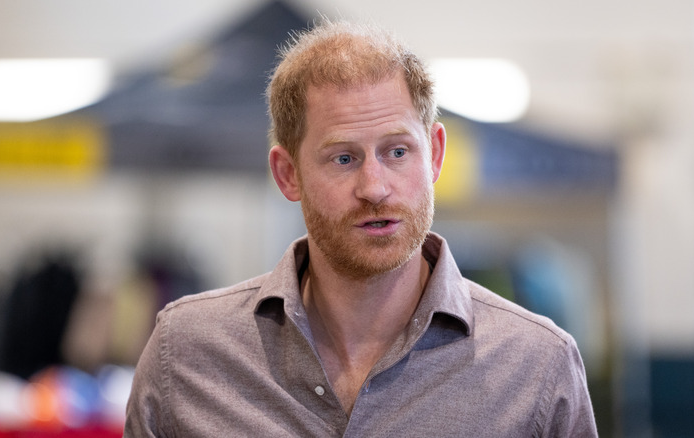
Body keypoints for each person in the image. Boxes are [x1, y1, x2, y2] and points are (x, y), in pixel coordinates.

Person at [124, 18, 598, 437]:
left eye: (396, 152)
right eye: (344, 158)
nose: (374, 187)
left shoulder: (537, 366)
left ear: (433, 154)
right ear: (288, 174)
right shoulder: (186, 356)